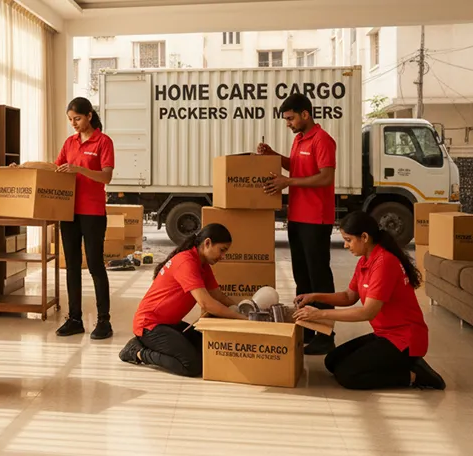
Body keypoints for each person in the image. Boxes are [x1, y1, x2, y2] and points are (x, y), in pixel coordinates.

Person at [293, 211, 445, 391]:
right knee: (332, 361)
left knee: (348, 375)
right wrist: (314, 296)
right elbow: (349, 297)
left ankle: (414, 375)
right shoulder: (365, 261)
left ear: (364, 237)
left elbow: (368, 312)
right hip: (385, 334)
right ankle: (402, 364)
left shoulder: (384, 263)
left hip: (405, 339)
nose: (345, 245)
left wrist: (320, 313)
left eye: (348, 240)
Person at [258, 93, 337, 356]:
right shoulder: (299, 140)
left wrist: (288, 182)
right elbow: (298, 167)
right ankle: (309, 328)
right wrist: (275, 156)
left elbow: (325, 177)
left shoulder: (323, 140)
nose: (288, 123)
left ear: (305, 114)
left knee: (319, 277)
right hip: (297, 217)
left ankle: (326, 335)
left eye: (291, 118)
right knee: (302, 278)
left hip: (316, 218)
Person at [118, 224, 246, 377]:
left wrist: (242, 308)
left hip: (170, 323)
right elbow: (206, 303)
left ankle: (150, 346)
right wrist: (243, 319)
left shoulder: (203, 265)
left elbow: (218, 296)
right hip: (150, 325)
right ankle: (137, 351)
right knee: (191, 366)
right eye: (222, 250)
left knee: (207, 349)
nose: (223, 256)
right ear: (207, 243)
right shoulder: (186, 262)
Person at [54, 97, 116, 340]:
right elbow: (55, 169)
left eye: (77, 118)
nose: (74, 124)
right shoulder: (69, 143)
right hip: (68, 212)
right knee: (71, 266)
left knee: (95, 265)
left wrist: (79, 169)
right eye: (70, 120)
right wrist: (24, 168)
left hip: (92, 213)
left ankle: (104, 321)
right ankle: (75, 319)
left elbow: (106, 177)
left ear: (89, 115)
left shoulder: (104, 141)